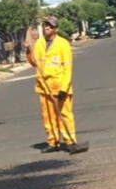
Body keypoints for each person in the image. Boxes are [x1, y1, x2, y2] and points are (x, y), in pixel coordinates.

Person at [25, 16, 84, 153]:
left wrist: (64, 88)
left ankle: (71, 141)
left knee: (65, 115)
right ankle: (53, 142)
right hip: (44, 86)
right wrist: (28, 51)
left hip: (59, 85)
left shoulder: (63, 44)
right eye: (46, 25)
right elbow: (34, 63)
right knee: (48, 116)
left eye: (50, 26)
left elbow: (67, 68)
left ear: (56, 29)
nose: (47, 28)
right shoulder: (39, 43)